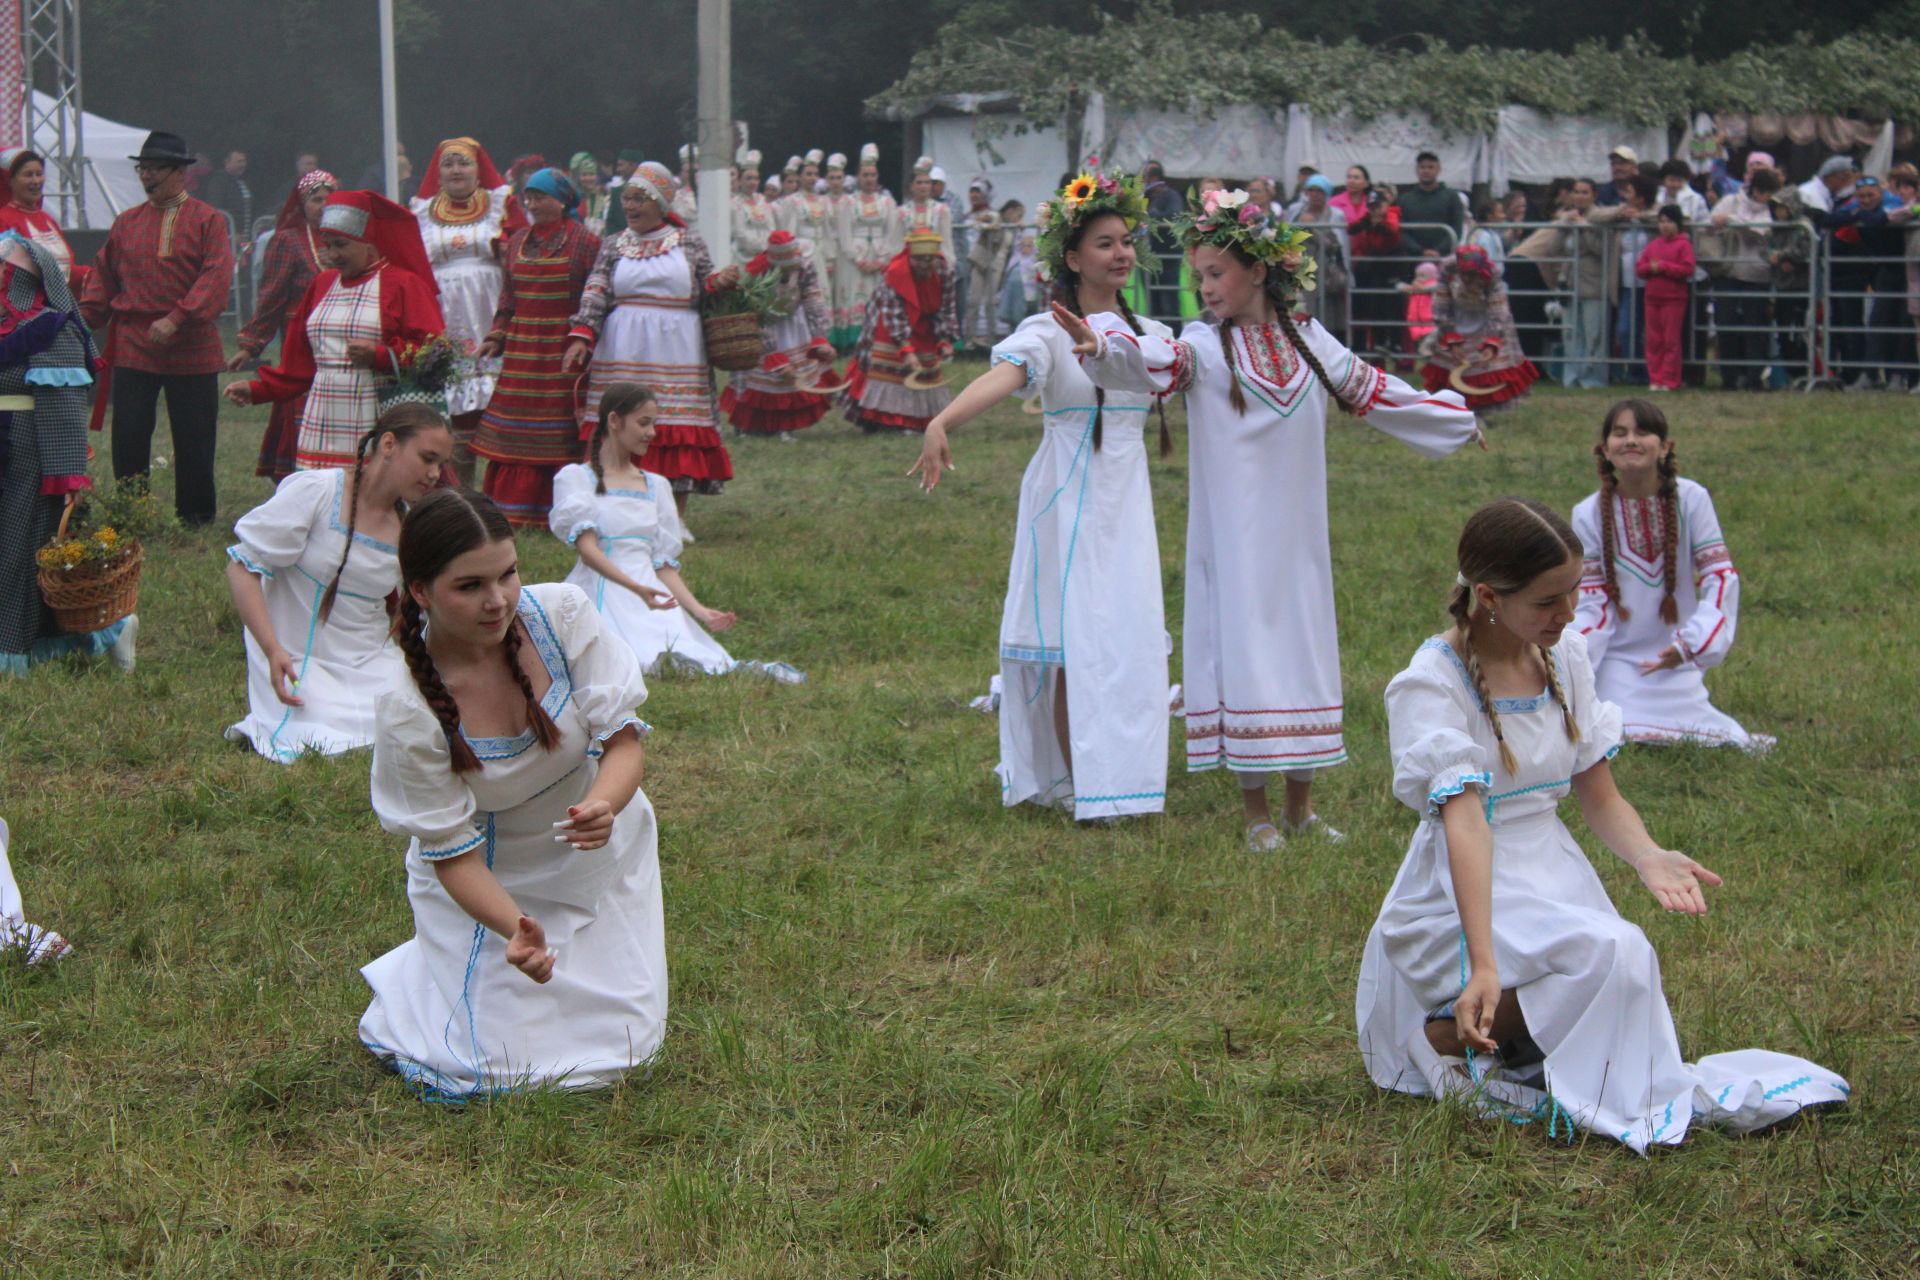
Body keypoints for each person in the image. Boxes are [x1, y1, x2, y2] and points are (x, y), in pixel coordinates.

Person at [1355, 496, 1846, 1152]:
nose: (1567, 615)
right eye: (1548, 601)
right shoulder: (1429, 685)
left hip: (1549, 870)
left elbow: (1600, 796)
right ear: (1489, 597)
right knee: (1613, 954)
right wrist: (1483, 961)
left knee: (1616, 962)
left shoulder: (1566, 657)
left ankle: (1515, 1044)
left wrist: (1647, 856)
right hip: (1460, 888)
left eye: (1574, 594)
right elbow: (1466, 826)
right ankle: (1443, 1033)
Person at [1061, 187, 1482, 850]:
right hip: (1234, 545)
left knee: (1303, 651)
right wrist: (1104, 348)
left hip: (1298, 542)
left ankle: (1300, 808)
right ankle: (1256, 812)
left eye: (1216, 273)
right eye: (1199, 275)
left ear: (1260, 271)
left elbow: (1376, 390)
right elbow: (1153, 360)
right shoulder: (1203, 347)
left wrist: (1457, 418)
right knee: (1246, 655)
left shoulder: (1310, 341)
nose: (1205, 287)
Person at [361, 488, 665, 1100]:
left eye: (508, 574)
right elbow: (450, 851)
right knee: (492, 1067)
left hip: (600, 855)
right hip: (493, 883)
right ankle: (428, 982)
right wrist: (516, 930)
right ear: (419, 591)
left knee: (623, 1048)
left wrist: (606, 802)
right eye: (469, 586)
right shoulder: (406, 706)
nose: (498, 600)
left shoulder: (564, 615)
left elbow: (624, 741)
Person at [909, 172, 1171, 823]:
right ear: (1074, 258)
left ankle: (1127, 774)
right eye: (1104, 243)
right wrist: (943, 421)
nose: (1120, 253)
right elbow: (1006, 375)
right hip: (1069, 496)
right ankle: (1084, 784)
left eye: (1125, 242)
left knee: (1125, 634)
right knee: (1072, 641)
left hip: (1126, 499)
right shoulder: (1049, 330)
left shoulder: (1153, 332)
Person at [224, 406, 452, 761]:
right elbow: (242, 568)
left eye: (440, 464)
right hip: (299, 657)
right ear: (389, 444)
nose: (435, 473)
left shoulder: (410, 525)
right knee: (318, 722)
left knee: (420, 712)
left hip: (369, 659)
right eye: (427, 458)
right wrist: (272, 650)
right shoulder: (318, 491)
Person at [554, 383, 799, 681]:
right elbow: (588, 551)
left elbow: (662, 563)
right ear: (615, 421)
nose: (652, 433)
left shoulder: (656, 485)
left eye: (654, 424)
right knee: (628, 657)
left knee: (683, 653)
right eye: (643, 423)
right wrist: (636, 589)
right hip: (604, 587)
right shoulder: (576, 478)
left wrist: (699, 610)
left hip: (651, 592)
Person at [1572, 399, 1769, 751]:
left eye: (1642, 432)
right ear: (1604, 449)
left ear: (1664, 447)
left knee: (1721, 737)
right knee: (1612, 725)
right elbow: (1592, 602)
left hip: (1675, 658)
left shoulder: (1692, 499)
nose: (1631, 440)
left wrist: (1690, 645)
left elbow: (1720, 576)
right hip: (1616, 661)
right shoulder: (1586, 513)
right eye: (1620, 433)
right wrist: (1572, 660)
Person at [223, 190, 446, 471]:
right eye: (327, 245)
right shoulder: (322, 284)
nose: (332, 255)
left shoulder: (403, 284)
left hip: (379, 412)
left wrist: (381, 356)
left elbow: (436, 353)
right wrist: (259, 389)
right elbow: (299, 363)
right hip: (323, 416)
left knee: (372, 491)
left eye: (341, 245)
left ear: (368, 242)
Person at [565, 162, 738, 518]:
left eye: (639, 199)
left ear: (661, 204)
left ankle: (673, 516)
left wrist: (720, 284)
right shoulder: (614, 245)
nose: (630, 206)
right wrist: (583, 333)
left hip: (678, 351)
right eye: (627, 199)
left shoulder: (689, 242)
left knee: (675, 428)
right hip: (624, 348)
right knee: (624, 422)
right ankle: (618, 508)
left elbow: (705, 287)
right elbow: (596, 288)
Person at [80, 130, 234, 526]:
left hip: (192, 344)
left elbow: (216, 276)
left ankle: (196, 516)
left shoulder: (209, 221)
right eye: (142, 169)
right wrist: (80, 322)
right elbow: (103, 277)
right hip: (134, 343)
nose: (146, 177)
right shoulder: (126, 223)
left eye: (154, 169)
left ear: (179, 172)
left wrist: (178, 317)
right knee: (129, 435)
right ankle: (132, 513)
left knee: (195, 436)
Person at [0, 234, 128, 675]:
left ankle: (11, 654)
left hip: (29, 456)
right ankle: (102, 634)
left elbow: (64, 412)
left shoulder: (52, 329)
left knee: (18, 554)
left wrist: (67, 476)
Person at [472, 168, 602, 527]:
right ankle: (510, 510)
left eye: (541, 196)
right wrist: (496, 336)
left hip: (562, 353)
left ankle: (558, 510)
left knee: (559, 430)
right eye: (529, 197)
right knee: (515, 429)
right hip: (522, 354)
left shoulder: (585, 243)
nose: (533, 204)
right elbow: (508, 297)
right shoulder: (516, 242)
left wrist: (582, 339)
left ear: (562, 200)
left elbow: (593, 299)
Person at [412, 138, 525, 486]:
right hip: (445, 310)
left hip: (490, 305)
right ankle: (458, 485)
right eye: (449, 164)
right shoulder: (421, 211)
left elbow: (523, 246)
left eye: (463, 163)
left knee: (496, 397)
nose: (456, 171)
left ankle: (498, 483)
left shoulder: (499, 203)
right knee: (453, 398)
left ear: (478, 169)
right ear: (438, 171)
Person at [230, 169, 335, 481]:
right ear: (302, 203)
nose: (324, 205)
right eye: (316, 199)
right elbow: (271, 296)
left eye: (330, 198)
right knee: (299, 407)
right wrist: (251, 346)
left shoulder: (349, 239)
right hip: (300, 342)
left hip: (339, 341)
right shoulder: (288, 241)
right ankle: (295, 479)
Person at [840, 227, 956, 435]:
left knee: (925, 367)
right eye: (919, 261)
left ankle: (922, 421)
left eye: (929, 261)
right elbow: (894, 315)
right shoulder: (895, 273)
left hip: (924, 323)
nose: (924, 266)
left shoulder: (944, 272)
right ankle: (886, 422)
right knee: (893, 368)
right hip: (890, 322)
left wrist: (944, 339)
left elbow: (947, 308)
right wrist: (906, 349)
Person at [720, 230, 833, 440]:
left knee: (792, 376)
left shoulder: (805, 266)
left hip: (793, 324)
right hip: (764, 325)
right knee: (764, 375)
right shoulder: (756, 274)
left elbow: (813, 299)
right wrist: (774, 358)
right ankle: (748, 426)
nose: (791, 269)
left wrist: (820, 338)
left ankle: (784, 425)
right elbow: (757, 317)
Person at [1418, 245, 1538, 408]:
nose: (1468, 278)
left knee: (1491, 363)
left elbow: (1498, 309)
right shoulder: (1448, 269)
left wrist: (1492, 341)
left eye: (1472, 274)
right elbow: (1441, 304)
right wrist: (1450, 338)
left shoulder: (1492, 274)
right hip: (1457, 315)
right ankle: (1454, 403)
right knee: (1454, 362)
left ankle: (1492, 405)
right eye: (1466, 274)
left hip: (1486, 316)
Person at [1826, 175, 1911, 390]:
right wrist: (1860, 214)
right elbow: (1831, 219)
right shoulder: (1857, 204)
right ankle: (1870, 373)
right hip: (1886, 270)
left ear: (1880, 193)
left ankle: (1899, 376)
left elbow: (1878, 220)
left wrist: (1857, 216)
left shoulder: (1892, 201)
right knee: (1878, 322)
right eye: (1861, 196)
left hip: (1908, 270)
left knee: (1904, 324)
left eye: (1870, 195)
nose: (1865, 200)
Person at [1706, 166, 1779, 391]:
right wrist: (1725, 219)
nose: (1765, 197)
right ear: (1754, 189)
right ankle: (1729, 378)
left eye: (1770, 192)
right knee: (1725, 325)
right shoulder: (1731, 201)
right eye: (1762, 191)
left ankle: (1753, 377)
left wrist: (1732, 220)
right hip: (1728, 272)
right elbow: (1710, 222)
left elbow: (1763, 232)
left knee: (1754, 328)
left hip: (1759, 276)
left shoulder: (1773, 209)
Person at [834, 144, 897, 352]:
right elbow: (844, 235)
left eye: (873, 174)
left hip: (879, 256)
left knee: (877, 296)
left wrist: (881, 260)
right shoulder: (847, 202)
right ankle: (852, 341)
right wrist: (859, 259)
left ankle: (877, 339)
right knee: (854, 296)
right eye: (865, 175)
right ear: (858, 177)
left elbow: (892, 233)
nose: (869, 179)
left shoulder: (887, 202)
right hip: (855, 258)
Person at [0, 149, 83, 288]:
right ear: (10, 180)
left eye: (39, 174)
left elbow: (67, 270)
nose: (36, 181)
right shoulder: (3, 220)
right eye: (28, 175)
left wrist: (91, 275)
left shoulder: (47, 219)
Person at [1635, 207, 1696, 392]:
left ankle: (1670, 380)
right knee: (1653, 340)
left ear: (1678, 224)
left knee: (1671, 340)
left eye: (1669, 221)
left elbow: (1687, 269)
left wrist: (1663, 267)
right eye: (1661, 221)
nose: (1665, 225)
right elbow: (1640, 268)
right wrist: (1650, 269)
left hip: (1674, 299)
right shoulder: (1653, 245)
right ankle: (1655, 379)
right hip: (1652, 298)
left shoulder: (1683, 245)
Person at [1292, 174, 1349, 337]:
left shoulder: (1335, 214)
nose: (1315, 195)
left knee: (1328, 317)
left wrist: (1314, 230)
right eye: (1311, 190)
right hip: (1302, 268)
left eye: (1320, 191)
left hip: (1326, 272)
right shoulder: (1296, 211)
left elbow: (1338, 244)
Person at [960, 180, 1012, 346]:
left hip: (992, 262)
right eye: (972, 192)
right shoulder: (966, 217)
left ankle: (991, 340)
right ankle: (969, 339)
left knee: (990, 302)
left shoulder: (994, 214)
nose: (974, 196)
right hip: (975, 262)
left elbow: (995, 222)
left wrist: (985, 218)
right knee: (973, 301)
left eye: (978, 192)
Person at [1394, 152, 1464, 257]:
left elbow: (1457, 227)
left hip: (1444, 258)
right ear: (1417, 170)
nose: (1426, 171)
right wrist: (1420, 251)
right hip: (1413, 259)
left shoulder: (1452, 197)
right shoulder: (1405, 199)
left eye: (1431, 167)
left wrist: (1439, 250)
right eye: (1422, 167)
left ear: (1438, 170)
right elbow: (1401, 230)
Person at [893, 158, 955, 264]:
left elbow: (946, 244)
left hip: (934, 265)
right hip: (908, 265)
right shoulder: (901, 212)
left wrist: (948, 264)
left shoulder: (941, 210)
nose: (923, 186)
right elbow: (897, 245)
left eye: (927, 182)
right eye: (919, 182)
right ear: (912, 186)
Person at [731, 150, 776, 261]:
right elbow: (739, 232)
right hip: (742, 255)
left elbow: (771, 227)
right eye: (749, 178)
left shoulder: (762, 201)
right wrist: (759, 247)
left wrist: (766, 247)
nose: (753, 182)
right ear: (740, 180)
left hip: (765, 254)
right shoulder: (734, 203)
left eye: (756, 178)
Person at [1797, 155, 1858, 219]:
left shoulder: (1830, 197)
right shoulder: (1806, 193)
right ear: (1836, 176)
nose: (1848, 183)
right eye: (1846, 178)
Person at [571, 152, 609, 236]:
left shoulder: (604, 197)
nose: (588, 178)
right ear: (578, 176)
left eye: (591, 174)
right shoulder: (573, 197)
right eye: (584, 175)